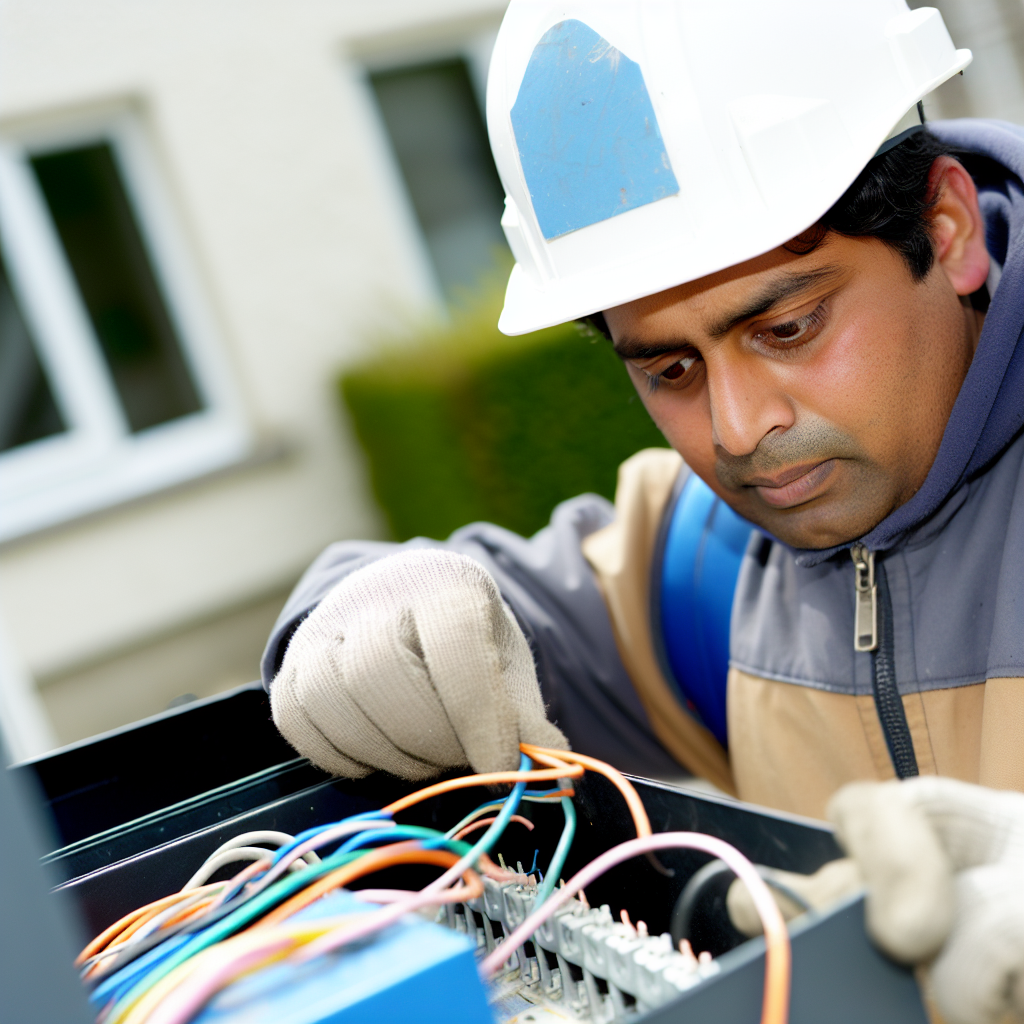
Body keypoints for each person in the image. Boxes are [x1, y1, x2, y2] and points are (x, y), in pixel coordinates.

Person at [262, 3, 1024, 1021]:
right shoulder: (708, 560)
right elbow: (476, 618)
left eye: (789, 324)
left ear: (947, 227)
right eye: (669, 367)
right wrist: (356, 605)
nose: (739, 428)